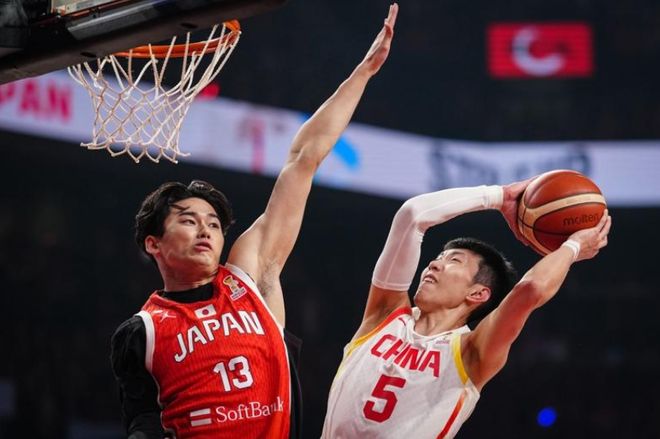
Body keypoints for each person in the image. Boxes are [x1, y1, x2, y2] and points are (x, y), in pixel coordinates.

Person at [110, 4, 399, 438]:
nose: (206, 229)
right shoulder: (143, 331)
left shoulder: (249, 277)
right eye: (188, 220)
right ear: (154, 243)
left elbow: (302, 160)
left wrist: (363, 73)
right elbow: (142, 421)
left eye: (213, 223)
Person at [321, 180, 611, 438]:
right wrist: (498, 196)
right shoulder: (384, 317)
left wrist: (573, 246)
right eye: (438, 257)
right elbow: (412, 215)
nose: (433, 264)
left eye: (454, 261)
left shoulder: (471, 352)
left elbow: (531, 289)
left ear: (478, 293)